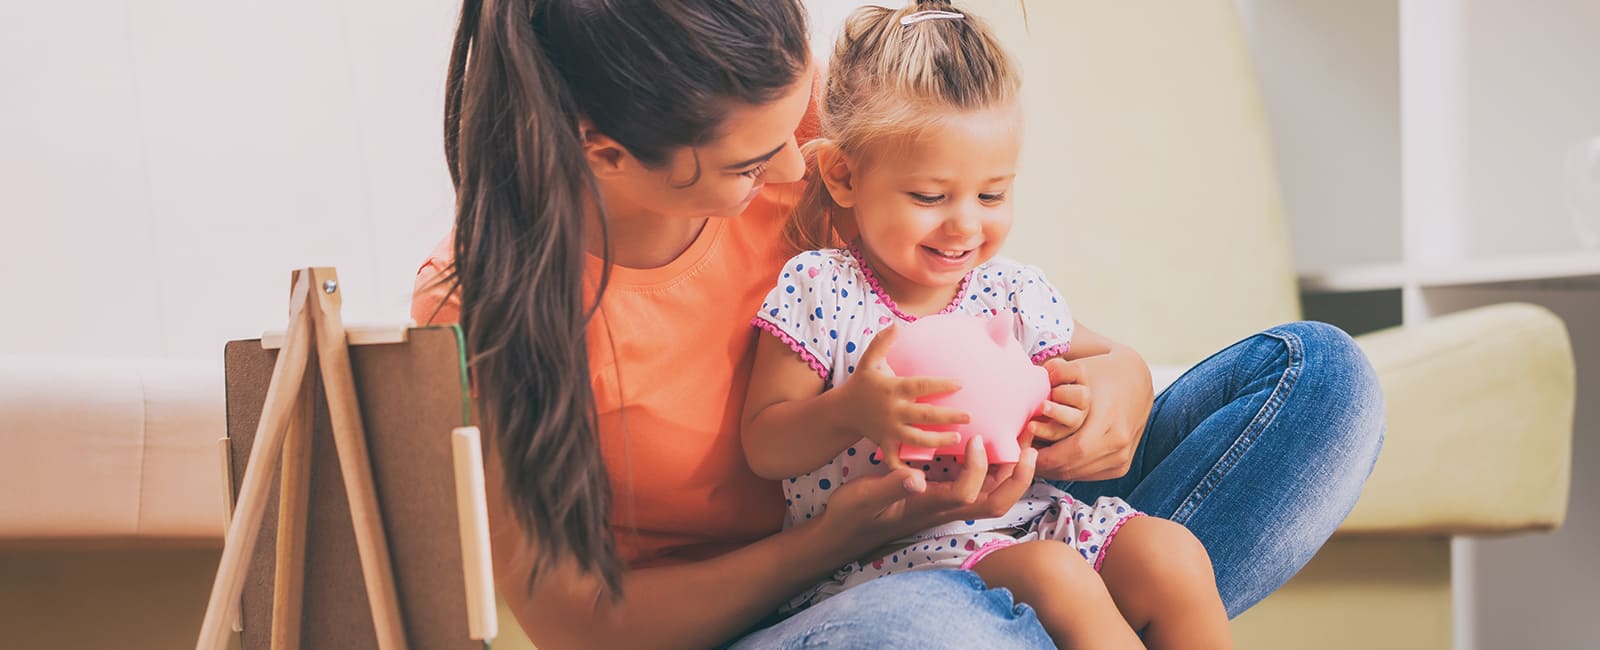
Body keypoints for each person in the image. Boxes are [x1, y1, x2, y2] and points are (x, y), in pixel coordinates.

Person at [411, 0, 1385, 647]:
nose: (797, 177)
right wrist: (831, 540)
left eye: (798, 131)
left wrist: (1115, 383)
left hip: (980, 507)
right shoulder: (487, 308)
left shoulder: (785, 131)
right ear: (607, 151)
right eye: (750, 166)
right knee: (931, 625)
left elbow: (1003, 315)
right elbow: (581, 622)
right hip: (789, 602)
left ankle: (1062, 604)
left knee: (1319, 383)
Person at [739, 5, 1230, 647]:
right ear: (844, 175)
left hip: (1028, 518)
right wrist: (851, 411)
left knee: (1174, 555)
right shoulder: (823, 290)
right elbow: (763, 444)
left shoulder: (1012, 291)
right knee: (1058, 578)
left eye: (992, 195)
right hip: (885, 557)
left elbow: (1100, 363)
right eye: (929, 197)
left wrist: (1075, 405)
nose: (966, 225)